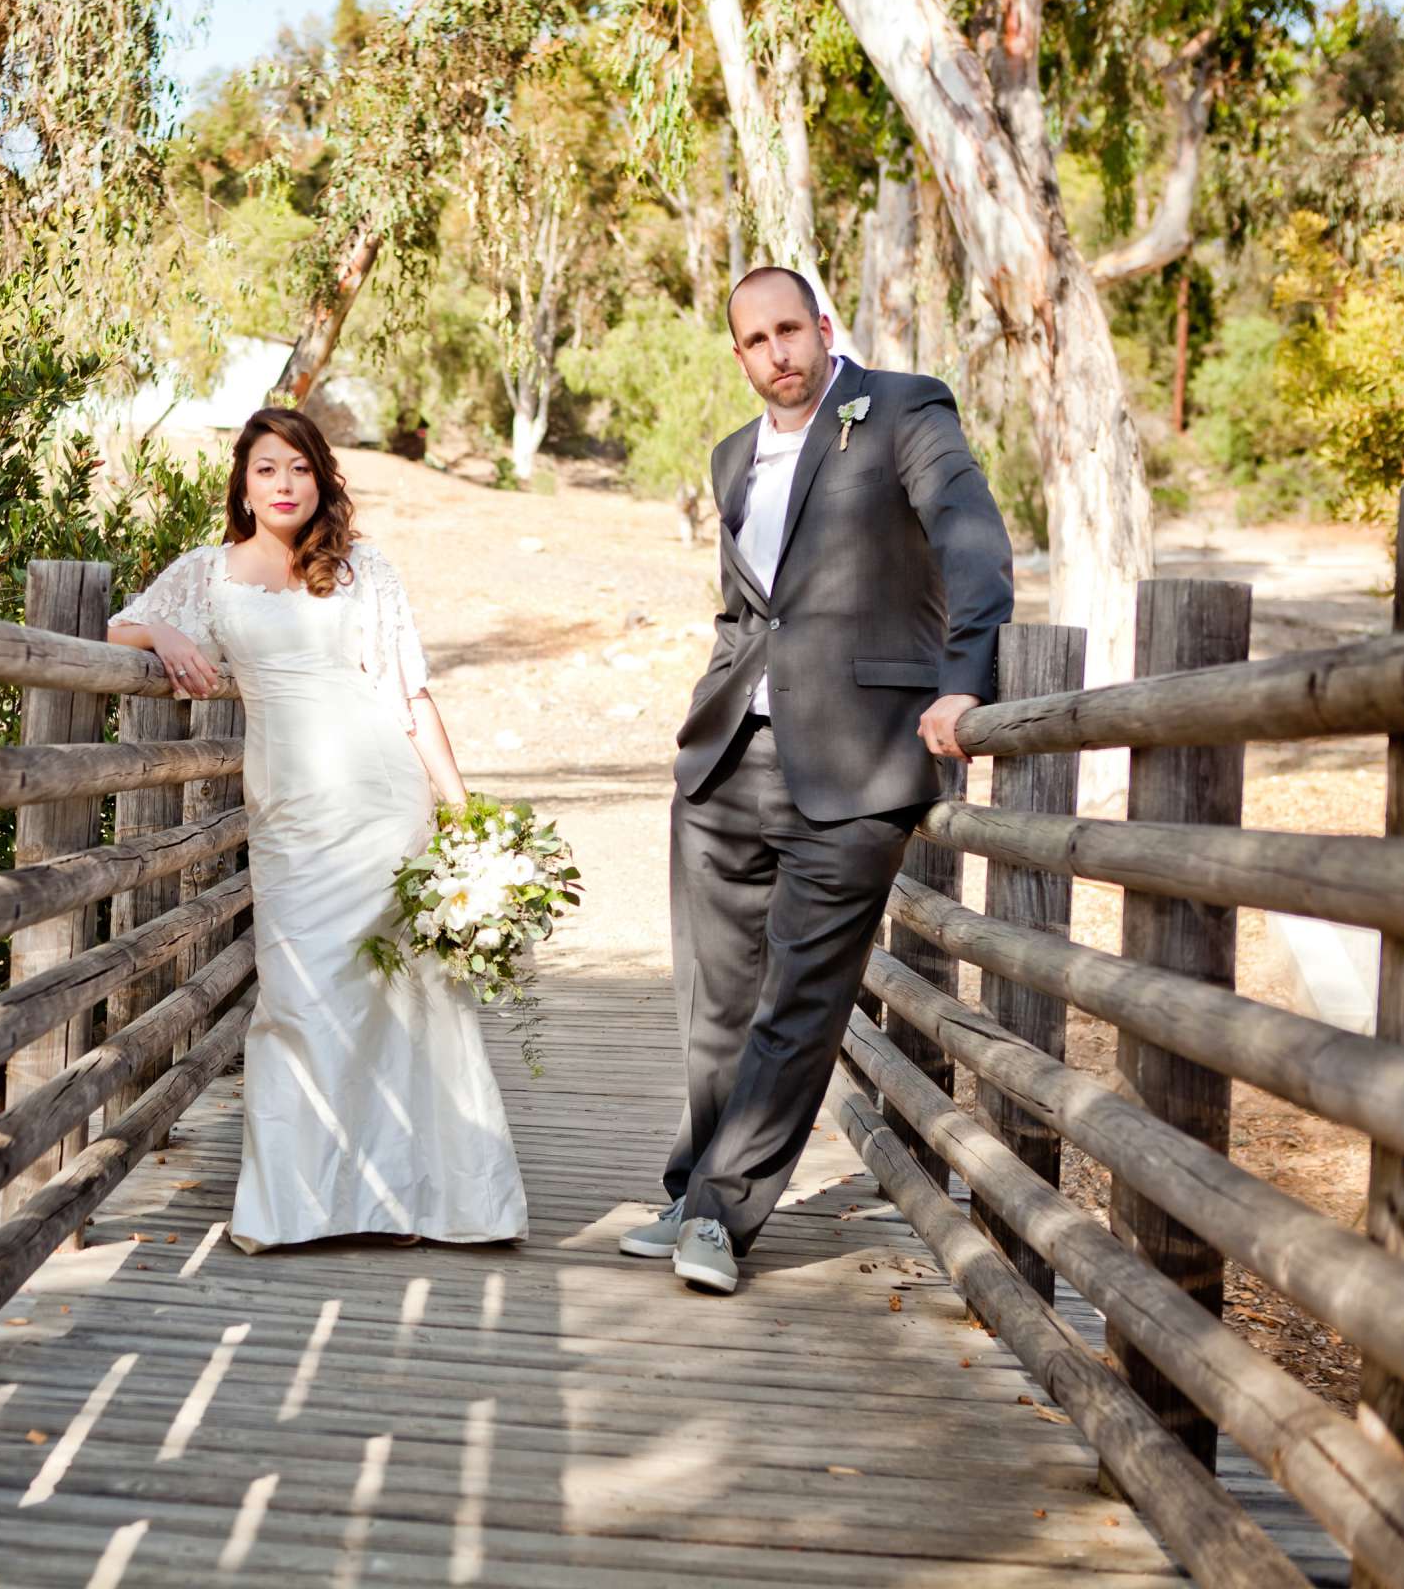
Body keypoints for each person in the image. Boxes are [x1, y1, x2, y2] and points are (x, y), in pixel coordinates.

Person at [620, 267, 1013, 1294]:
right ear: (740, 354)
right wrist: (706, 709)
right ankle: (692, 1185)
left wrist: (965, 683)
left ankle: (724, 1214)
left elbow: (975, 544)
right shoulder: (732, 457)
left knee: (800, 998)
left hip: (861, 759)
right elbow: (749, 611)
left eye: (789, 330)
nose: (777, 355)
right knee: (714, 999)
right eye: (755, 341)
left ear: (823, 327)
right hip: (726, 759)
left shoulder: (903, 409)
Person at [109, 406, 529, 1254]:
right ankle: (291, 1208)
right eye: (267, 469)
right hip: (292, 814)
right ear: (244, 482)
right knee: (299, 995)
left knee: (398, 998)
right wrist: (161, 633)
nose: (285, 484)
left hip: (382, 799)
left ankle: (409, 1200)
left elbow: (409, 691)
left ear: (321, 477)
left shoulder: (362, 568)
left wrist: (459, 808)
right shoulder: (209, 571)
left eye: (299, 467)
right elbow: (118, 627)